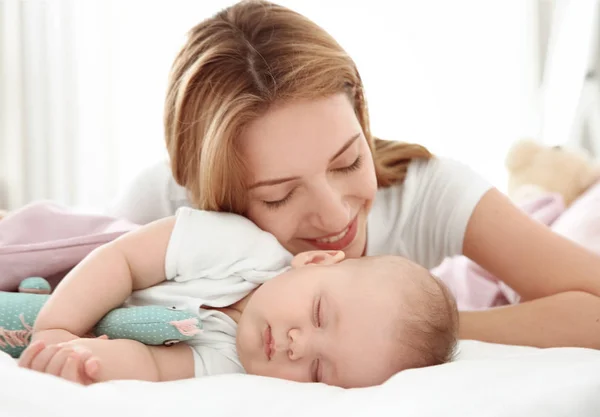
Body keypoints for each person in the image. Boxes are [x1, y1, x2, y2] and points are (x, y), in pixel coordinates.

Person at [109, 0, 600, 349]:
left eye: (347, 162)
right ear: (210, 193)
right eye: (279, 196)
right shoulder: (163, 210)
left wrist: (406, 332)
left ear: (362, 119)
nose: (334, 215)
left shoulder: (427, 193)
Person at [19, 208, 458, 388]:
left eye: (318, 370)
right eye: (319, 314)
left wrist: (88, 363)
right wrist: (58, 327)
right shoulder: (241, 247)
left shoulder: (235, 368)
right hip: (67, 262)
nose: (297, 344)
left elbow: (153, 366)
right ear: (317, 261)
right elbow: (122, 260)